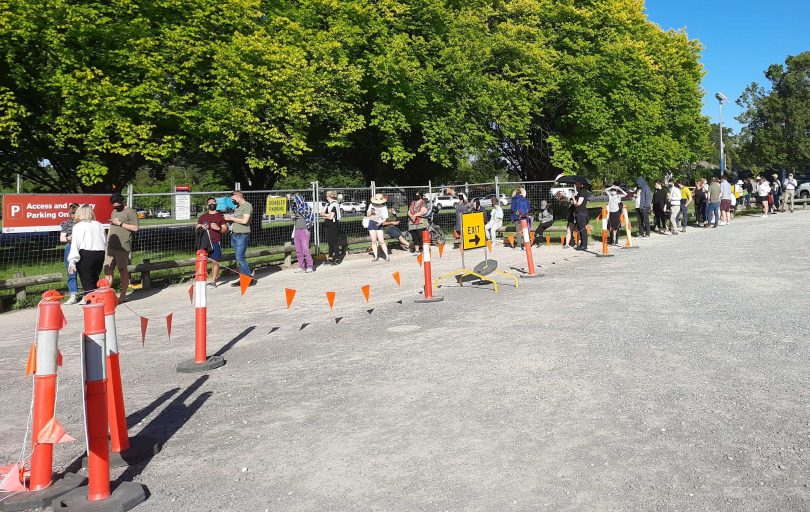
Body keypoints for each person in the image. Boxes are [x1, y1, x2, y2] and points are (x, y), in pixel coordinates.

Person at [67, 205, 107, 304]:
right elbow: (104, 240)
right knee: (94, 278)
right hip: (100, 253)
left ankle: (90, 301)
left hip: (86, 254)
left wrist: (72, 261)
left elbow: (75, 244)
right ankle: (93, 299)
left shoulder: (78, 226)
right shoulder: (99, 224)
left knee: (87, 280)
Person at [105, 193, 139, 302]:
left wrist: (120, 224)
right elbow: (111, 226)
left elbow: (135, 228)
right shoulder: (114, 211)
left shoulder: (131, 212)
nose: (115, 208)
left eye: (117, 205)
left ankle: (123, 295)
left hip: (123, 246)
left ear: (123, 202)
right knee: (107, 269)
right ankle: (107, 296)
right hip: (111, 246)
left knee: (122, 270)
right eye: (113, 206)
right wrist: (107, 240)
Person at [223, 190, 254, 284]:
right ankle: (243, 278)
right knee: (238, 258)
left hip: (242, 235)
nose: (232, 201)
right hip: (235, 234)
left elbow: (245, 221)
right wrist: (230, 217)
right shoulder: (238, 207)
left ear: (238, 196)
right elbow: (238, 219)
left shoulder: (247, 206)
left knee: (240, 258)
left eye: (233, 199)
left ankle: (248, 279)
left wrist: (231, 218)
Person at [196, 197, 228, 286]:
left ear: (216, 204)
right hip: (204, 243)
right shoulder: (203, 217)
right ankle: (202, 279)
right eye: (210, 203)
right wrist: (201, 227)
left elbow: (225, 229)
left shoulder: (220, 216)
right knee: (203, 261)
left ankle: (213, 281)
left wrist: (218, 228)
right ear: (207, 205)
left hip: (215, 241)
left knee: (215, 261)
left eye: (214, 202)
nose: (212, 204)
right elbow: (197, 228)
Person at [60, 203, 80, 304]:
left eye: (75, 213)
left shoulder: (83, 224)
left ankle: (88, 293)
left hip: (82, 248)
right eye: (72, 213)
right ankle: (73, 295)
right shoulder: (66, 223)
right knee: (71, 271)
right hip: (70, 247)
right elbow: (62, 238)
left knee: (84, 271)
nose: (73, 215)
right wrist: (69, 237)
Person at [290, 194, 315, 273]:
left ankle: (310, 266)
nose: (294, 202)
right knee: (298, 249)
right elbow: (294, 218)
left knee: (305, 249)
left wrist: (308, 225)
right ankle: (301, 266)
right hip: (297, 230)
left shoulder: (305, 206)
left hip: (304, 230)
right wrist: (293, 217)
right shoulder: (295, 208)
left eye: (295, 200)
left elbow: (310, 216)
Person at [320, 191, 342, 264]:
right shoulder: (327, 204)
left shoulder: (334, 205)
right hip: (327, 225)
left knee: (334, 242)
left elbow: (331, 217)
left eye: (327, 195)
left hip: (333, 225)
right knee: (329, 242)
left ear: (329, 196)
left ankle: (337, 258)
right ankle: (330, 257)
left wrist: (324, 214)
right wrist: (325, 214)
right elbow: (323, 213)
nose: (326, 196)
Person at [366, 193, 390, 262]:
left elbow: (385, 218)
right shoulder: (371, 205)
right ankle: (376, 256)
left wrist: (380, 222)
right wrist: (371, 211)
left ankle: (387, 256)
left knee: (381, 240)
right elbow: (368, 215)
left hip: (379, 224)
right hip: (372, 222)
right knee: (373, 241)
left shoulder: (383, 207)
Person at [572, 183, 591, 250]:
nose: (576, 186)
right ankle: (582, 244)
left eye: (577, 185)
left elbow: (578, 204)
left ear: (581, 185)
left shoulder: (582, 192)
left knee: (582, 229)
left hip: (581, 213)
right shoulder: (580, 192)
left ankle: (584, 245)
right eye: (575, 185)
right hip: (580, 213)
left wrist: (573, 199)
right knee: (581, 229)